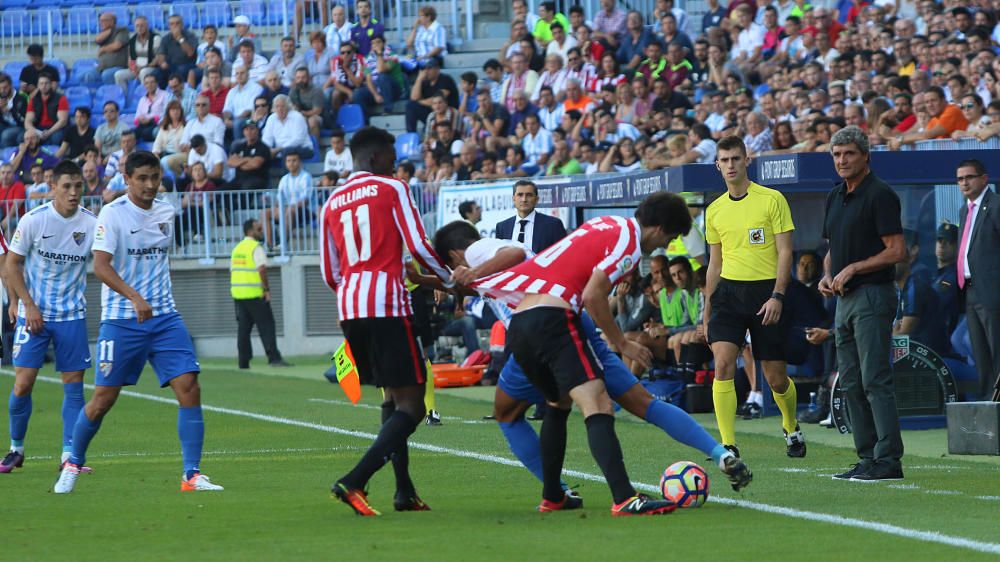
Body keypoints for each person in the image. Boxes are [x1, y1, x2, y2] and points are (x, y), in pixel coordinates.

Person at [469, 194, 696, 515]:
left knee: (558, 403)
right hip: (554, 319)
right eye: (669, 238)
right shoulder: (629, 242)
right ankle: (625, 497)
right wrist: (624, 342)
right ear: (658, 228)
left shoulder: (605, 223)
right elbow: (593, 295)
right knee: (598, 402)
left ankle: (553, 496)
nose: (664, 246)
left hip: (521, 321)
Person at [54, 151, 224, 494]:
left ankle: (191, 475)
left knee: (189, 386)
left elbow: (161, 261)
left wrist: (156, 297)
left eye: (154, 178)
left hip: (164, 317)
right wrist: (134, 296)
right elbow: (101, 266)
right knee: (103, 399)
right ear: (127, 179)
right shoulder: (112, 214)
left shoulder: (167, 210)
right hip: (121, 321)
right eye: (142, 178)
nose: (149, 185)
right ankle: (73, 462)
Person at [320, 126, 454, 516]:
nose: (396, 166)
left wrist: (355, 290)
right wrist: (448, 279)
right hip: (386, 303)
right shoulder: (392, 187)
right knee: (412, 406)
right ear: (376, 158)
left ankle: (404, 491)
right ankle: (354, 480)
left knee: (391, 397)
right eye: (392, 159)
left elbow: (330, 271)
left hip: (351, 305)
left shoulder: (332, 201)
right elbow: (417, 244)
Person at [704, 135, 805, 459]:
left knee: (775, 379)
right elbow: (714, 263)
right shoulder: (714, 210)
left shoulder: (772, 199)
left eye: (736, 158)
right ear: (717, 165)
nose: (731, 165)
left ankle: (790, 425)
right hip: (728, 294)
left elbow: (785, 251)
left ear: (747, 160)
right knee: (722, 364)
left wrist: (777, 295)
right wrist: (707, 308)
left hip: (766, 293)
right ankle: (728, 445)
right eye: (725, 160)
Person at [820, 126, 906, 481]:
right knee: (851, 382)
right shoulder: (835, 195)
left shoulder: (880, 194)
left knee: (874, 380)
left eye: (849, 154)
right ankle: (868, 457)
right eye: (837, 155)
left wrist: (854, 267)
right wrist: (827, 273)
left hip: (872, 294)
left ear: (866, 156)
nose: (842, 161)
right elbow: (832, 249)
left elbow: (897, 251)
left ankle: (888, 460)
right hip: (843, 299)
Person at [0, 161, 96, 474]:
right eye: (66, 186)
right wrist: (25, 303)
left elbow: (108, 261)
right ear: (52, 186)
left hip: (71, 315)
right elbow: (11, 265)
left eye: (78, 186)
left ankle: (69, 455)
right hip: (34, 315)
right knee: (23, 384)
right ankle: (16, 449)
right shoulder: (33, 220)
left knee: (73, 386)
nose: (73, 192)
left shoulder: (92, 224)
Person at [955, 159, 1000, 400]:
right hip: (970, 290)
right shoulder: (965, 209)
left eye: (969, 177)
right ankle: (988, 404)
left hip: (992, 291)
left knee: (996, 349)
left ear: (984, 179)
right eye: (960, 179)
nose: (964, 182)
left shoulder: (996, 206)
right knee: (979, 352)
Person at [231, 219, 290, 369]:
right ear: (250, 231)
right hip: (255, 294)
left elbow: (233, 271)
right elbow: (261, 269)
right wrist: (266, 289)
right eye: (259, 229)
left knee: (243, 330)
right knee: (267, 326)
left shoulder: (237, 248)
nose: (261, 232)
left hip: (239, 294)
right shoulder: (255, 247)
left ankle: (243, 362)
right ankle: (274, 358)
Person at [495, 180, 567, 254]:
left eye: (529, 195)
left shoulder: (553, 225)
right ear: (513, 199)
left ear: (536, 199)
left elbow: (562, 255)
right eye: (520, 195)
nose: (524, 199)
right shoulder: (502, 227)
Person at [262, 151, 313, 249]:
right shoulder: (284, 179)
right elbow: (279, 199)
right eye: (289, 161)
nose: (291, 163)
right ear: (285, 163)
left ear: (300, 162)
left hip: (304, 211)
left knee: (289, 210)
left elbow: (305, 200)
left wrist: (287, 207)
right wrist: (276, 207)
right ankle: (269, 245)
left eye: (294, 160)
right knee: (265, 212)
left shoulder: (306, 177)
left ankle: (282, 244)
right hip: (288, 210)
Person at [405, 60, 458, 133]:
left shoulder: (446, 79)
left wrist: (419, 101)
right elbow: (414, 98)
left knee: (419, 104)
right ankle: (411, 134)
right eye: (424, 69)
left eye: (429, 68)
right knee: (411, 106)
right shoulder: (425, 82)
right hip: (433, 113)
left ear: (437, 69)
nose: (426, 71)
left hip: (448, 114)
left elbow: (436, 101)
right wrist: (419, 79)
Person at [114, 15, 161, 94]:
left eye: (142, 25)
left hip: (151, 68)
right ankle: (123, 99)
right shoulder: (133, 39)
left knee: (144, 72)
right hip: (136, 69)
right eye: (137, 26)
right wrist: (133, 69)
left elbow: (157, 58)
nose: (139, 28)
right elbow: (130, 58)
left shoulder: (155, 38)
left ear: (147, 26)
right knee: (118, 75)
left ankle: (144, 97)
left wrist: (143, 67)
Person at [262, 95, 313, 160]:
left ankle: (287, 170)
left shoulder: (297, 117)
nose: (280, 109)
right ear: (273, 108)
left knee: (287, 152)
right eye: (277, 106)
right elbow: (267, 138)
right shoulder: (271, 118)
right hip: (279, 151)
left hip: (303, 148)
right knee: (261, 153)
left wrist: (279, 149)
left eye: (282, 106)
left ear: (288, 107)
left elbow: (298, 140)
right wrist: (267, 149)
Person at [24, 75, 69, 147]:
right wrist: (35, 131)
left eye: (46, 83)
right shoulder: (33, 100)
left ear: (51, 84)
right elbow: (27, 122)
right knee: (26, 137)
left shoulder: (61, 98)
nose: (44, 86)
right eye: (41, 84)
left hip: (55, 128)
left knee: (56, 138)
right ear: (38, 85)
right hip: (39, 128)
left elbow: (63, 121)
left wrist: (49, 132)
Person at [155, 15, 198, 89]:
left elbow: (190, 53)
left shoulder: (190, 35)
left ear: (182, 24)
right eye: (172, 24)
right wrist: (162, 63)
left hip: (188, 63)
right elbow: (161, 54)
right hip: (171, 65)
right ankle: (163, 94)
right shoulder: (166, 38)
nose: (175, 26)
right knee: (155, 73)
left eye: (177, 23)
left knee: (181, 69)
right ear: (169, 26)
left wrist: (180, 38)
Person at [223, 65, 264, 142]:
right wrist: (226, 119)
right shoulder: (232, 91)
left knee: (237, 124)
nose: (239, 76)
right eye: (237, 74)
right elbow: (227, 109)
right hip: (234, 119)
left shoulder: (256, 88)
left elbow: (249, 111)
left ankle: (238, 150)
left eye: (242, 73)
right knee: (218, 123)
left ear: (248, 75)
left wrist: (234, 121)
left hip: (251, 119)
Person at [228, 121, 271, 190]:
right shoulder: (239, 146)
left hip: (257, 179)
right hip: (239, 180)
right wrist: (247, 159)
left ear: (257, 131)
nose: (249, 132)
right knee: (222, 189)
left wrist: (239, 162)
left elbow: (255, 164)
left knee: (245, 190)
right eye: (246, 129)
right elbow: (230, 162)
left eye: (252, 129)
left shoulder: (263, 147)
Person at [135, 74, 169, 142]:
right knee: (131, 134)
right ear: (144, 85)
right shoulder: (142, 99)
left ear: (157, 83)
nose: (149, 85)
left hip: (157, 124)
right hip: (143, 124)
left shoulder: (165, 95)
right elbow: (137, 117)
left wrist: (152, 119)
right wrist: (140, 119)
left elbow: (167, 114)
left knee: (146, 133)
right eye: (147, 83)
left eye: (152, 82)